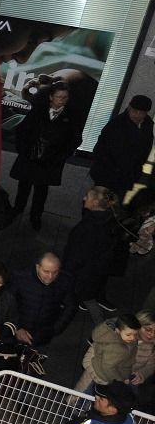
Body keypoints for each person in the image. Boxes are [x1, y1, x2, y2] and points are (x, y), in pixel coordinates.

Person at [11, 84, 83, 230]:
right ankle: (17, 209)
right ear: (51, 97)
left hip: (51, 160)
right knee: (24, 185)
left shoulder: (72, 116)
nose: (61, 100)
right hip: (30, 156)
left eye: (65, 97)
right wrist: (24, 150)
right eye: (58, 97)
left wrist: (61, 155)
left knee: (41, 189)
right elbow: (22, 130)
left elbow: (75, 139)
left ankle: (36, 215)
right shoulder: (38, 110)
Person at [60, 185, 122, 312]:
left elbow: (77, 254)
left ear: (94, 203)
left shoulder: (89, 226)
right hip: (100, 265)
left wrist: (67, 269)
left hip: (85, 268)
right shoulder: (111, 218)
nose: (84, 198)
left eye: (87, 196)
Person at [90, 94, 153, 198]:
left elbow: (145, 148)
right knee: (100, 202)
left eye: (141, 113)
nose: (137, 115)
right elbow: (103, 149)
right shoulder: (117, 124)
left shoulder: (147, 125)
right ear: (129, 108)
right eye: (134, 111)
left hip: (128, 176)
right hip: (108, 173)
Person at [11, 252, 73, 349]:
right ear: (37, 267)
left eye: (55, 272)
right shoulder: (20, 277)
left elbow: (71, 305)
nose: (50, 276)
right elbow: (8, 302)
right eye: (46, 271)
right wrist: (17, 327)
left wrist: (55, 329)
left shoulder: (65, 281)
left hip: (43, 336)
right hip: (15, 334)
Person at [76, 313, 139, 391]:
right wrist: (119, 380)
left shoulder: (125, 340)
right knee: (85, 391)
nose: (133, 338)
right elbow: (108, 367)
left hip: (111, 374)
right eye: (128, 335)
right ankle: (70, 402)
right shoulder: (115, 347)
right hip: (102, 375)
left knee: (84, 389)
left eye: (135, 334)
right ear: (117, 331)